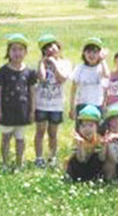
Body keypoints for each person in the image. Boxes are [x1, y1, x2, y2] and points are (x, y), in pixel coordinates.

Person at [0, 33, 37, 171]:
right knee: (6, 137)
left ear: (25, 52)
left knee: (20, 139)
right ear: (8, 52)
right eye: (13, 50)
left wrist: (32, 111)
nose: (17, 53)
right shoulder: (2, 72)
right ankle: (5, 163)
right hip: (7, 111)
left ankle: (19, 163)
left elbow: (32, 92)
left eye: (20, 49)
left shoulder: (29, 72)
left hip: (22, 111)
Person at [34, 34, 71, 168]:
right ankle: (39, 157)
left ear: (58, 47)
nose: (49, 49)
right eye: (45, 48)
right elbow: (42, 78)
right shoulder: (40, 64)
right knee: (40, 131)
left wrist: (54, 64)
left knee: (53, 133)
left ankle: (52, 156)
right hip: (41, 104)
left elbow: (61, 79)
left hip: (56, 105)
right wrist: (42, 63)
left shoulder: (65, 63)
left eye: (52, 46)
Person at [69, 37, 109, 123]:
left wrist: (103, 60)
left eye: (95, 52)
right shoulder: (80, 68)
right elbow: (73, 89)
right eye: (88, 52)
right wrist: (72, 107)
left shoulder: (101, 67)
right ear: (84, 53)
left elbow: (107, 75)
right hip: (82, 104)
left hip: (97, 104)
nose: (91, 55)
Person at [65, 105, 105, 182]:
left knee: (96, 159)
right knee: (73, 160)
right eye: (83, 126)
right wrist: (80, 145)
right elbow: (81, 159)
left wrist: (104, 146)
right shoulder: (77, 140)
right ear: (79, 128)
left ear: (97, 127)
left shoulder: (99, 139)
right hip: (79, 167)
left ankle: (94, 179)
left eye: (91, 125)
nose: (87, 129)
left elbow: (102, 158)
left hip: (91, 167)